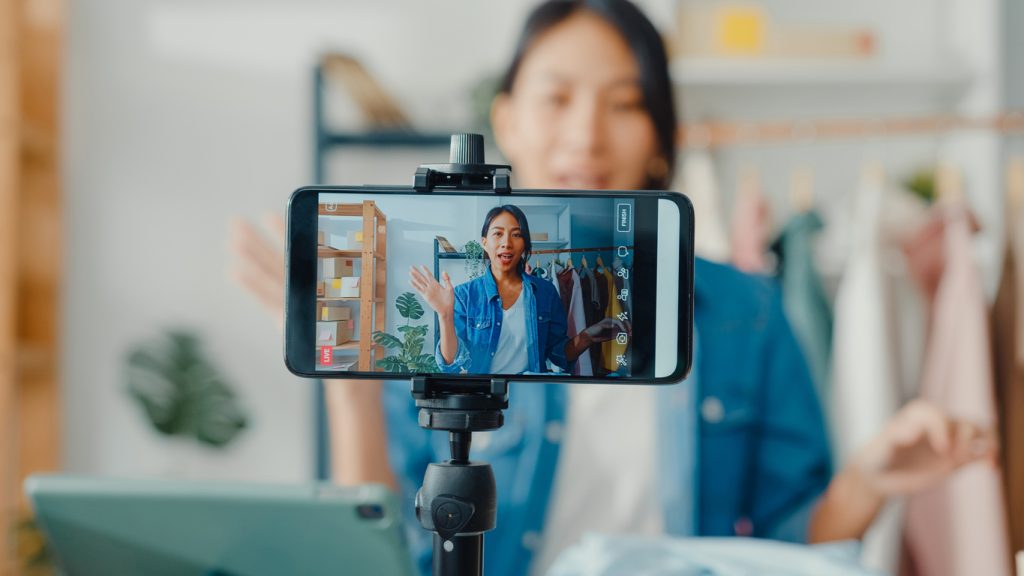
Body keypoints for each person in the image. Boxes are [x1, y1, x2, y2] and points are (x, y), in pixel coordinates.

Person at [231, 1, 999, 574]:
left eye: (626, 103)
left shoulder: (746, 316)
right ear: (508, 120)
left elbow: (783, 553)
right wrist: (351, 387)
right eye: (557, 98)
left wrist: (870, 481)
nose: (587, 135)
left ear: (662, 136)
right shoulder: (460, 316)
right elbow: (387, 554)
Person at [409, 204, 627, 375]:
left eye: (516, 234)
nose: (506, 243)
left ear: (525, 244)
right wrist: (445, 315)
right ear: (484, 242)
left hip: (530, 398)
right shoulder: (465, 296)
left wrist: (587, 336)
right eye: (498, 234)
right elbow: (451, 364)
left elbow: (559, 355)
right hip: (483, 397)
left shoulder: (545, 292)